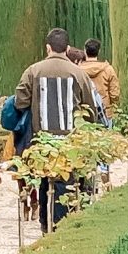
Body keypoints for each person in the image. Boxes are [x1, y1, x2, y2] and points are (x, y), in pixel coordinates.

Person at [14, 29, 103, 230]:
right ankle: (60, 225)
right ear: (68, 48)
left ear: (47, 48)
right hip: (70, 141)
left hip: (42, 140)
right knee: (65, 182)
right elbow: (90, 110)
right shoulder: (79, 73)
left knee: (46, 181)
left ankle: (46, 225)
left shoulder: (33, 71)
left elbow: (20, 102)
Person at [76, 39, 119, 124]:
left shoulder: (77, 71)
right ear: (99, 51)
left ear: (85, 51)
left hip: (84, 113)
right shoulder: (108, 69)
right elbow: (115, 95)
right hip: (105, 113)